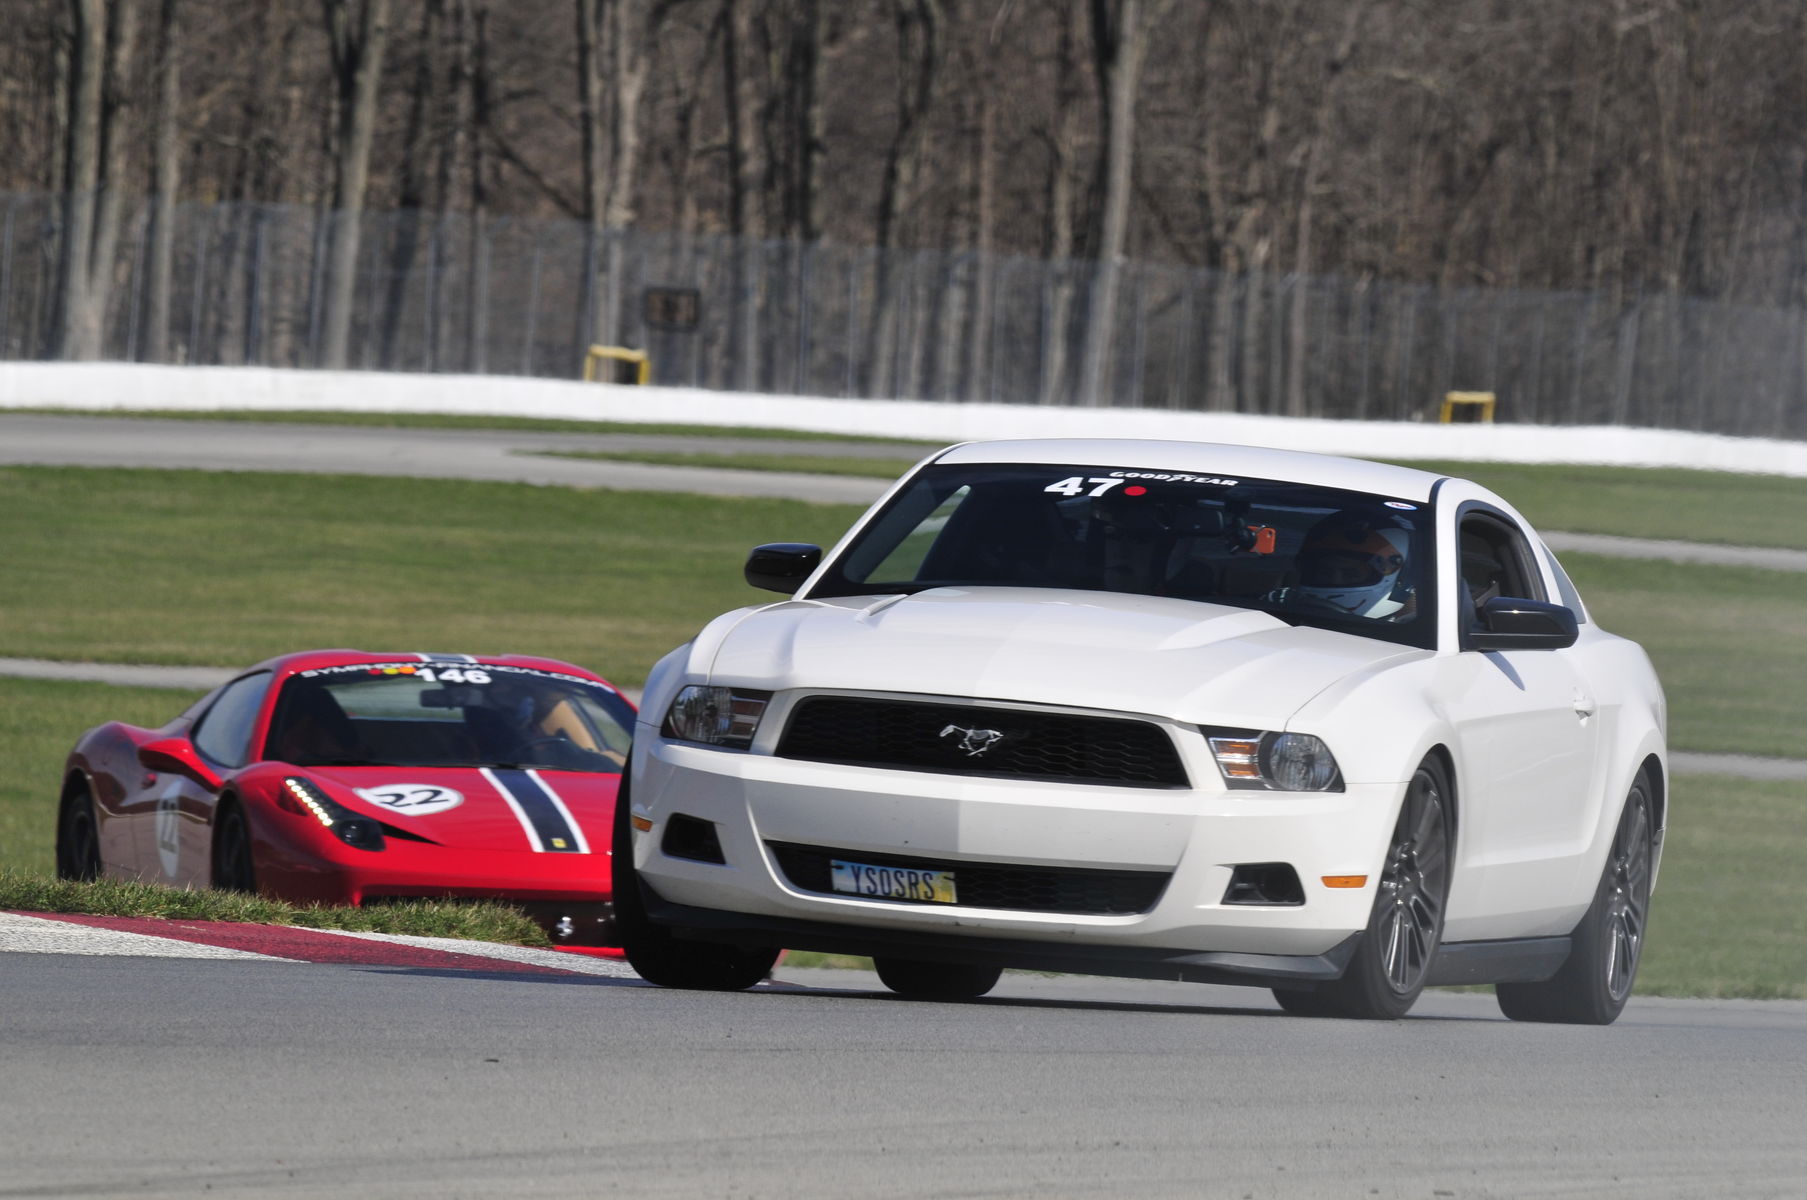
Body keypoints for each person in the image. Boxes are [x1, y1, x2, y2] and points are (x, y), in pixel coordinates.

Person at [1280, 509, 1414, 620]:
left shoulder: (1416, 635)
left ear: (1398, 580)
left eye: (1351, 575)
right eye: (1324, 573)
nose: (1335, 580)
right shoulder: (1278, 608)